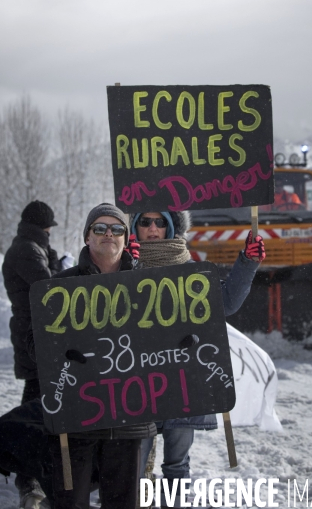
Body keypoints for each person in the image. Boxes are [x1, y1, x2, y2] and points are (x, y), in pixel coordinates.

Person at [131, 209, 265, 509]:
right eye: (144, 221)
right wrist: (126, 267)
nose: (152, 228)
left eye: (159, 222)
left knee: (177, 466)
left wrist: (248, 262)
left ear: (171, 227)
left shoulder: (189, 270)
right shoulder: (123, 265)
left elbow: (227, 302)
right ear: (134, 226)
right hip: (138, 384)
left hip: (183, 384)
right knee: (134, 467)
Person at [41, 203, 156, 509]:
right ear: (87, 237)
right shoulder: (59, 286)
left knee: (122, 503)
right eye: (100, 228)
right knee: (70, 502)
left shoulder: (149, 286)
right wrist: (61, 352)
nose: (109, 234)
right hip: (75, 417)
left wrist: (183, 344)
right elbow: (33, 343)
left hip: (129, 416)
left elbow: (164, 339)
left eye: (117, 229)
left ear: (126, 238)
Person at [2, 200, 62, 509]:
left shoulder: (27, 246)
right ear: (45, 226)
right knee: (35, 407)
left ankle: (28, 469)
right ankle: (27, 474)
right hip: (34, 337)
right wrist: (59, 266)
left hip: (34, 335)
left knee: (37, 401)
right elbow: (48, 288)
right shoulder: (28, 249)